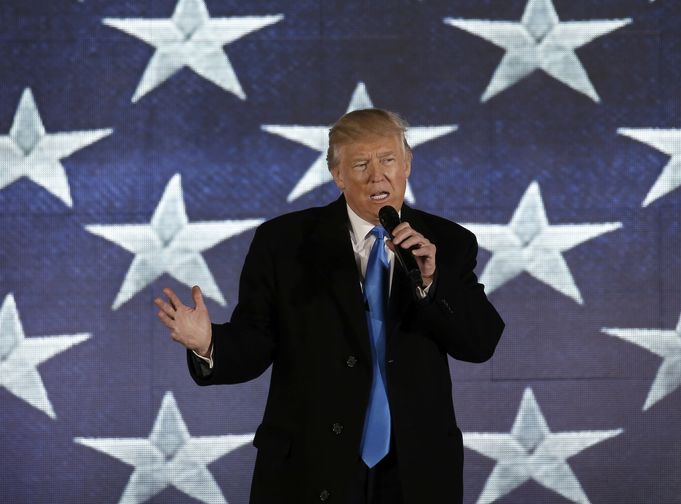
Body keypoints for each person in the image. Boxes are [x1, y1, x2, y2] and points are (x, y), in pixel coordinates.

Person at [154, 108, 504, 503]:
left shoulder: (447, 242)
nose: (378, 175)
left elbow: (480, 343)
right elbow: (256, 342)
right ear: (338, 176)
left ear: (407, 163)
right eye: (360, 164)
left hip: (415, 473)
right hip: (310, 465)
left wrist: (431, 282)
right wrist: (208, 343)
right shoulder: (284, 243)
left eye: (388, 160)